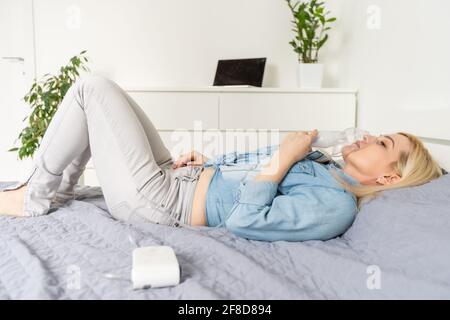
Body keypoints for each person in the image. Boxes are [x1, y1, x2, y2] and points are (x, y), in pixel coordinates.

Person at [0, 76, 444, 242]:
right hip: (180, 177)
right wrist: (208, 162)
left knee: (90, 91)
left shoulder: (336, 204)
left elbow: (246, 220)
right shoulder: (324, 162)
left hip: (162, 204)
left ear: (388, 178)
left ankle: (34, 195)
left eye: (383, 144)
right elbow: (248, 174)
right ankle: (52, 189)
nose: (370, 139)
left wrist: (282, 161)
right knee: (110, 97)